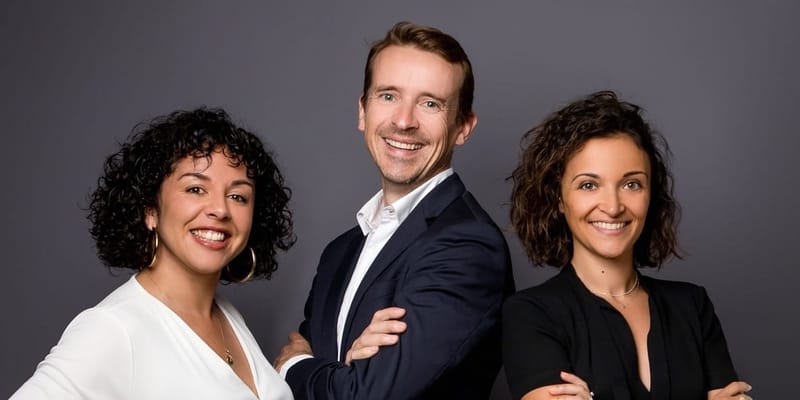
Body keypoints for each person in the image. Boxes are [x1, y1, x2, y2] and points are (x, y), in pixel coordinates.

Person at [273, 21, 515, 399]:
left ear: (463, 127)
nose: (404, 121)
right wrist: (343, 371)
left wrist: (291, 366)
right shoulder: (340, 252)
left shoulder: (468, 246)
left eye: (430, 103)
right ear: (362, 111)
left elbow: (363, 395)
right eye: (388, 96)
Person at [11, 108, 295, 400]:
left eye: (238, 196)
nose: (220, 209)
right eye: (196, 189)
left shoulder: (227, 316)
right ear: (150, 210)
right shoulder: (114, 329)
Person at [503, 91, 752, 400]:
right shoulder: (531, 314)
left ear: (651, 194)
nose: (613, 206)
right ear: (559, 199)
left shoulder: (692, 306)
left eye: (631, 184)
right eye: (589, 185)